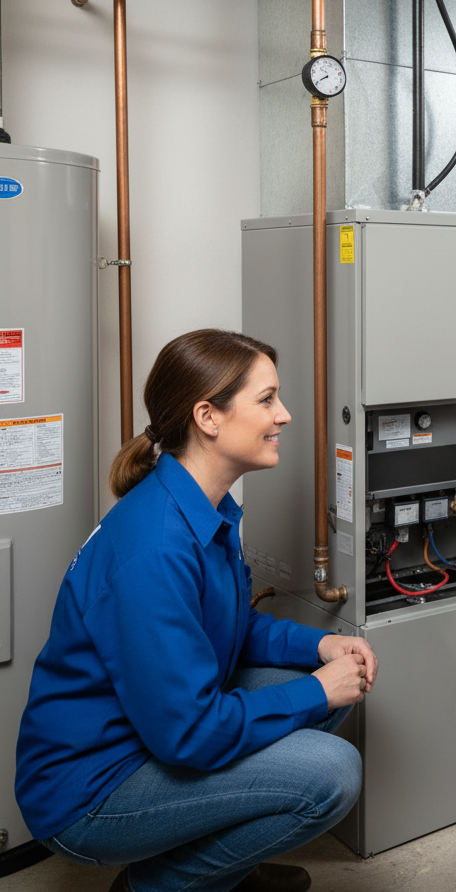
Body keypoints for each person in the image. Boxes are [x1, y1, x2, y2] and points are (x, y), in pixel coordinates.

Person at [16, 330, 378, 892]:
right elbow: (188, 733)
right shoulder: (155, 547)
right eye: (267, 399)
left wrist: (321, 646)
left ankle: (225, 869)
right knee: (333, 769)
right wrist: (317, 691)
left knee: (325, 680)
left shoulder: (204, 506)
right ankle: (157, 886)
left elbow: (228, 623)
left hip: (149, 730)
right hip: (91, 788)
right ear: (207, 417)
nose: (284, 415)